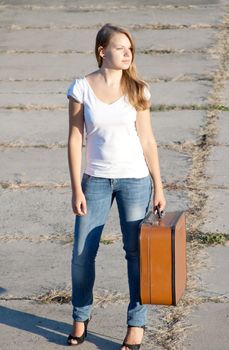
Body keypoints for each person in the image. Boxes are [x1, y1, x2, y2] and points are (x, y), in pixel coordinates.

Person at [66, 23, 166, 350]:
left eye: (130, 49)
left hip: (135, 181)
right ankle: (80, 318)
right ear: (101, 51)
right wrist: (76, 189)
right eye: (120, 47)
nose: (127, 53)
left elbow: (148, 140)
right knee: (82, 254)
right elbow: (75, 138)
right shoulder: (80, 87)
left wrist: (158, 186)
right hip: (94, 181)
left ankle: (136, 324)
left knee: (136, 254)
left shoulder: (139, 89)